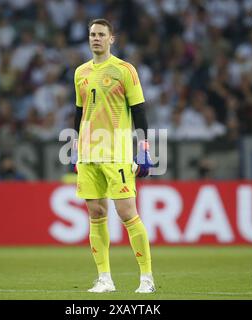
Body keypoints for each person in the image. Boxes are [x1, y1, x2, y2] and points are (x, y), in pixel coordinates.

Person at [71, 19, 155, 293]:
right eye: (92, 34)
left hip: (116, 152)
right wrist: (75, 148)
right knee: (95, 213)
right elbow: (78, 112)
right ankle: (104, 279)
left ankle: (146, 279)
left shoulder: (124, 70)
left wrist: (144, 148)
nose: (96, 38)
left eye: (101, 35)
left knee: (127, 212)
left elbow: (139, 110)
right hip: (87, 153)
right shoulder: (80, 72)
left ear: (111, 39)